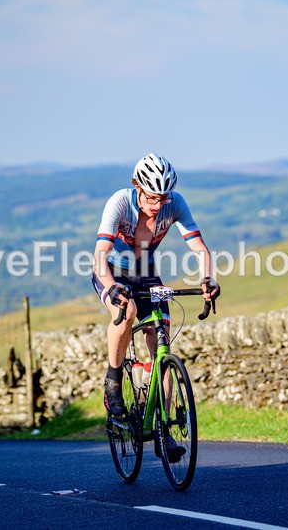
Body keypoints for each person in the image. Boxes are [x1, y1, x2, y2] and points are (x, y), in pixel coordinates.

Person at [91, 153, 220, 456]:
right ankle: (113, 380)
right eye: (152, 197)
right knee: (127, 313)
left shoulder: (175, 203)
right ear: (137, 186)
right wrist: (111, 289)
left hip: (146, 273)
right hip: (111, 270)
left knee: (161, 342)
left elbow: (199, 247)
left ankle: (163, 432)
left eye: (163, 198)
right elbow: (100, 254)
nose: (158, 204)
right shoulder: (120, 202)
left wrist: (207, 279)